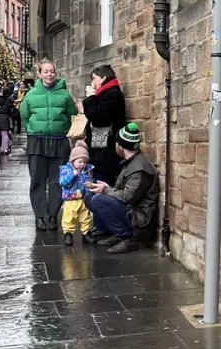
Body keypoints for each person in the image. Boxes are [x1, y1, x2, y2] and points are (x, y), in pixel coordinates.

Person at [83, 123, 158, 255]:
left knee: (98, 199)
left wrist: (105, 190)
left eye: (117, 143)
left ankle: (128, 237)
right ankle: (116, 233)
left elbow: (129, 197)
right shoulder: (131, 162)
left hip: (139, 219)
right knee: (89, 197)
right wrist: (107, 188)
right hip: (130, 210)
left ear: (121, 146)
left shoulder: (140, 168)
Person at [20, 59, 78, 231]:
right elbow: (24, 115)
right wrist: (32, 130)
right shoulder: (30, 95)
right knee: (37, 180)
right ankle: (39, 216)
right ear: (39, 74)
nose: (49, 74)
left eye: (52, 71)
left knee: (57, 180)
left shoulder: (65, 95)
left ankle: (52, 215)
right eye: (45, 71)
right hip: (37, 141)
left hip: (59, 140)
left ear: (55, 73)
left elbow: (72, 114)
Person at [77, 64, 127, 185]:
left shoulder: (112, 94)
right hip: (100, 146)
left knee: (102, 181)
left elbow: (98, 117)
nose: (92, 82)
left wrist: (91, 97)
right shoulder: (105, 93)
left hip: (106, 149)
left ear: (103, 78)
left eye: (94, 78)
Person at [59, 141, 95, 246]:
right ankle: (68, 233)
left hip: (84, 198)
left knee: (86, 217)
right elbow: (62, 182)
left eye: (85, 162)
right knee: (69, 217)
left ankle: (86, 233)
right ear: (73, 161)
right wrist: (72, 175)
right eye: (80, 162)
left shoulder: (88, 170)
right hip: (71, 198)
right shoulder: (66, 170)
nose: (82, 164)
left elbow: (91, 180)